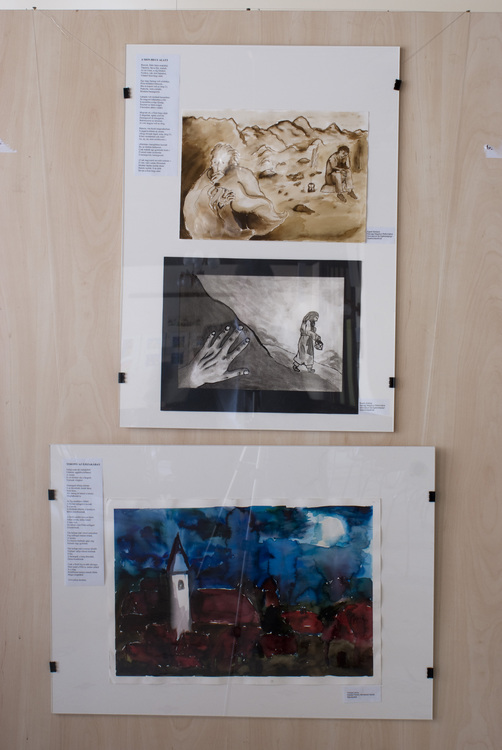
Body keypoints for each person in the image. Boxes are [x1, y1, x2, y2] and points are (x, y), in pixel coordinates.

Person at [183, 143, 286, 240]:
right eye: (215, 162)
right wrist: (213, 189)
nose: (217, 167)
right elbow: (195, 200)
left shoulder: (242, 174)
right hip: (209, 223)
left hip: (240, 214)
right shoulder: (205, 179)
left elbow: (253, 197)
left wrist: (231, 196)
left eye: (222, 163)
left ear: (229, 164)